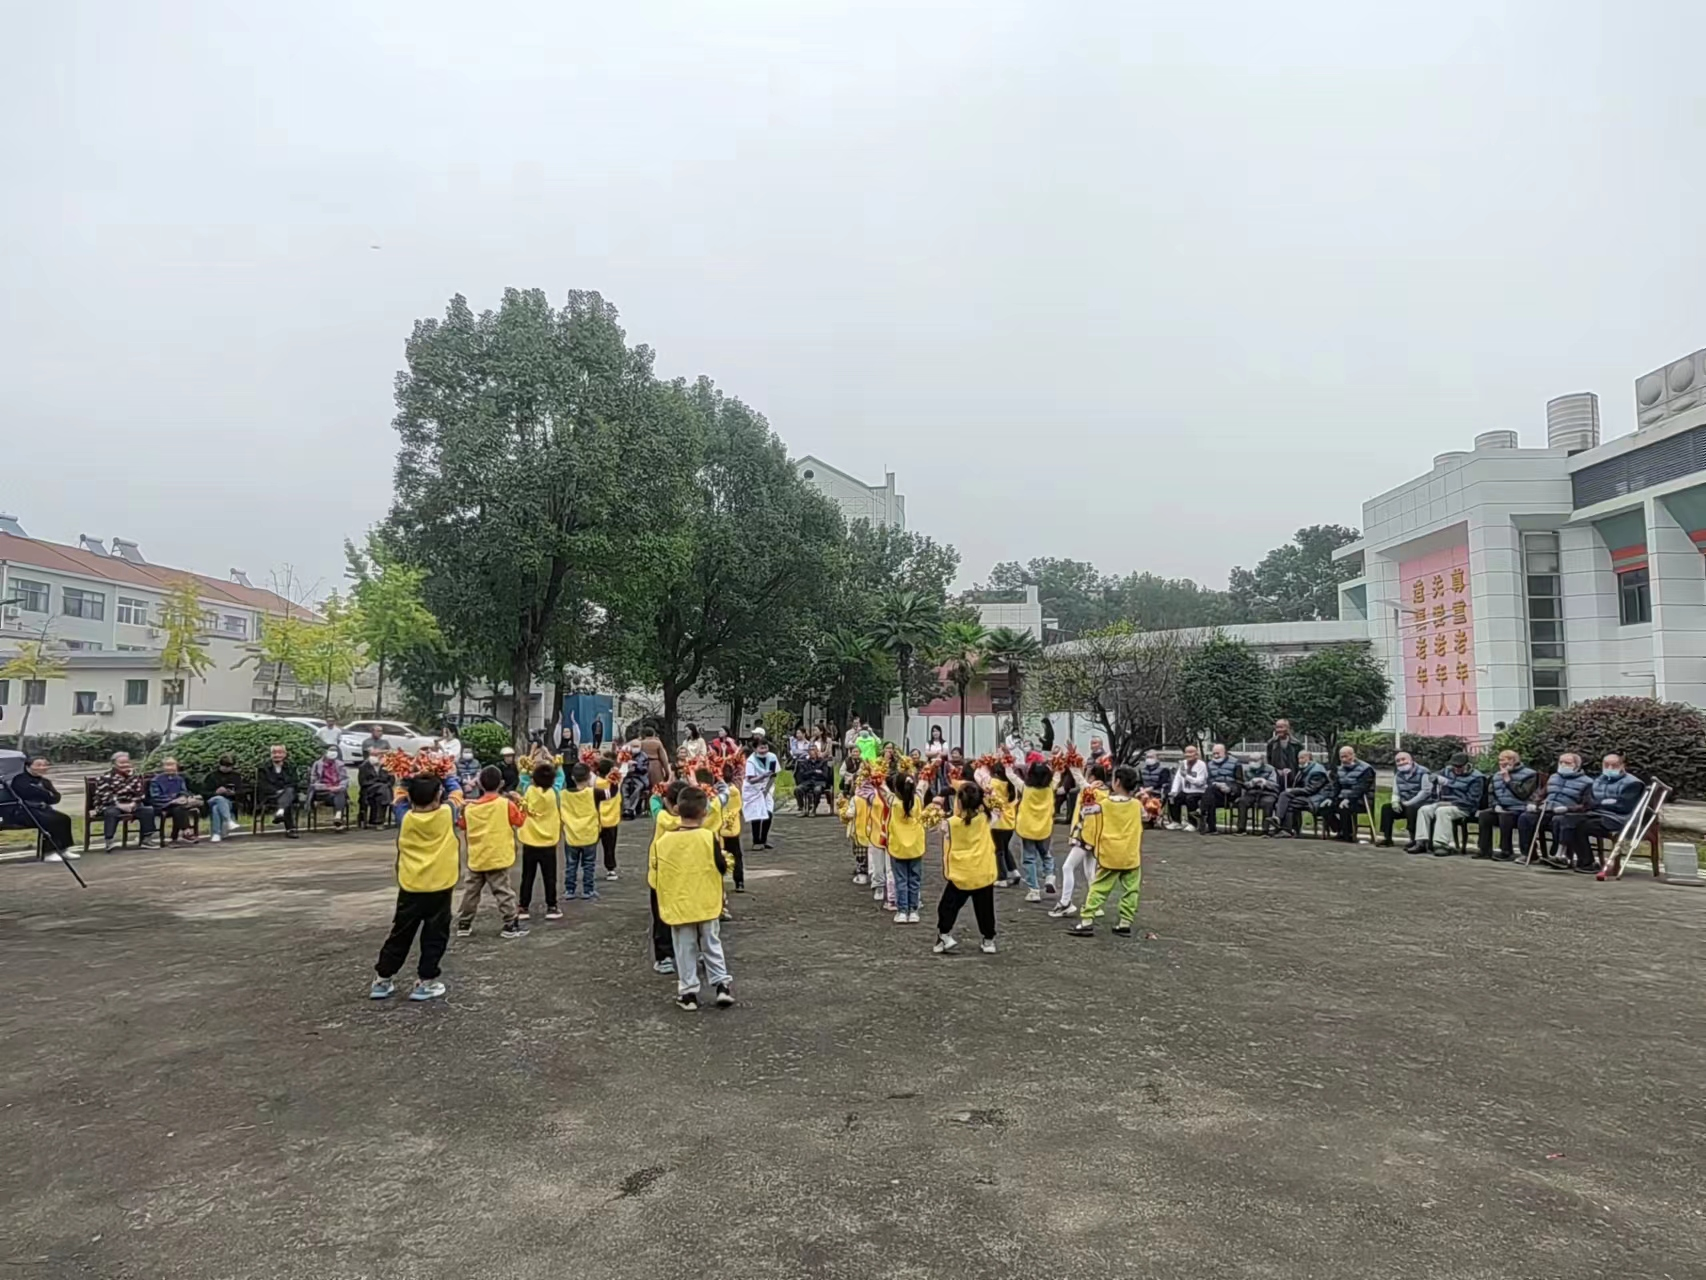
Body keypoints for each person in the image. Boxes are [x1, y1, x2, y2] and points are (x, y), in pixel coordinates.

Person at [370, 773, 458, 1001]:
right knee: (435, 936)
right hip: (439, 886)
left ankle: (383, 979)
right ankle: (426, 981)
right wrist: (447, 772)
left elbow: (398, 796)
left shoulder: (404, 816)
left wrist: (405, 775)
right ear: (439, 795)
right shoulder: (447, 814)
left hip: (411, 886)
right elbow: (457, 793)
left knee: (400, 933)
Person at [651, 785, 735, 1010]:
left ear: (677, 809)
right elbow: (721, 866)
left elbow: (658, 869)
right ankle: (721, 986)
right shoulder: (708, 837)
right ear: (704, 813)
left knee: (684, 948)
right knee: (711, 943)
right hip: (706, 901)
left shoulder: (664, 841)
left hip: (679, 903)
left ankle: (688, 993)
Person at [1067, 765, 1144, 937]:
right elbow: (1145, 817)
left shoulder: (1104, 804)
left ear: (1117, 782)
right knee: (1131, 889)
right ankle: (1125, 922)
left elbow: (1087, 815)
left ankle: (1087, 920)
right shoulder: (1137, 805)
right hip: (1131, 855)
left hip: (1110, 853)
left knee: (1099, 888)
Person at [454, 765, 528, 939]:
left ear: (479, 784)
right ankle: (510, 924)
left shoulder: (470, 808)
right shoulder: (505, 804)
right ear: (501, 783)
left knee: (471, 893)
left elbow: (462, 825)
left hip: (477, 857)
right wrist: (521, 802)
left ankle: (464, 924)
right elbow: (520, 821)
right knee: (503, 892)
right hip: (497, 856)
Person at [935, 780, 999, 955]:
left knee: (947, 907)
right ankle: (988, 939)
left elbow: (935, 823)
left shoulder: (950, 823)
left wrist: (936, 803)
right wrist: (989, 796)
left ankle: (944, 936)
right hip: (983, 871)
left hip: (961, 873)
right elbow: (997, 810)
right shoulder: (986, 818)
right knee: (985, 909)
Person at [1553, 754, 1644, 874]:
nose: (1610, 768)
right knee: (1569, 819)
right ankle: (1564, 856)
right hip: (1597, 814)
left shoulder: (1633, 783)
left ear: (1622, 766)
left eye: (1614, 765)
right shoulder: (1598, 780)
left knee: (1582, 827)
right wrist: (1604, 803)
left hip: (1618, 819)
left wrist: (1601, 804)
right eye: (1606, 765)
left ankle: (1587, 862)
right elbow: (1590, 802)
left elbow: (1624, 807)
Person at [1051, 760, 1109, 918]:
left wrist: (1072, 764)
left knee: (1067, 867)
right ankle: (1094, 905)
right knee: (1090, 872)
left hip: (1085, 834)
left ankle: (1065, 902)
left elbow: (1081, 781)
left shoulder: (1093, 790)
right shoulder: (1105, 792)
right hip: (1094, 835)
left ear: (1092, 777)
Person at [1518, 753, 1591, 866]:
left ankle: (1559, 856)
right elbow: (1540, 794)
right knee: (1525, 818)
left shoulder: (1587, 782)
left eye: (1567, 763)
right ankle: (1529, 854)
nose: (1563, 765)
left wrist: (1567, 808)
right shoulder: (1553, 777)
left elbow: (1586, 805)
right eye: (1561, 762)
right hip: (1547, 810)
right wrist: (1534, 803)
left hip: (1567, 813)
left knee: (1559, 820)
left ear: (1577, 765)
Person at [647, 780, 688, 975]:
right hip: (685, 877)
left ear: (668, 802)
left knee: (661, 917)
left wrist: (658, 792)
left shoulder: (662, 817)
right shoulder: (694, 821)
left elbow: (653, 802)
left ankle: (663, 957)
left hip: (661, 877)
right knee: (688, 915)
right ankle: (694, 953)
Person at [1409, 752, 1485, 856]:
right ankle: (1421, 842)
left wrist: (1450, 803)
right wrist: (1434, 778)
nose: (1457, 769)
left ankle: (1441, 845)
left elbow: (1472, 800)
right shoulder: (1447, 770)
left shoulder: (1477, 777)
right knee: (1424, 810)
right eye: (1455, 766)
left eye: (1460, 767)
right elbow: (1433, 775)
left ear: (1467, 765)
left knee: (1442, 811)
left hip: (1464, 807)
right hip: (1443, 802)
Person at [1008, 757, 1061, 902]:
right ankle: (1050, 876)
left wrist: (1007, 763)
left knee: (1029, 858)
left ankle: (1034, 890)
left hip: (1027, 828)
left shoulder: (1025, 788)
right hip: (1044, 827)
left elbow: (1011, 776)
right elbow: (1058, 775)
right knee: (1046, 853)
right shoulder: (1051, 788)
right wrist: (1060, 763)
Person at [1, 756, 75, 858]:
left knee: (64, 819)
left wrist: (45, 793)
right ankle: (49, 853)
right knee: (51, 821)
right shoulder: (20, 780)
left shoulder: (45, 782)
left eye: (44, 765)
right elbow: (28, 793)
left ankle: (63, 849)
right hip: (23, 811)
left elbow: (55, 798)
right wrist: (45, 793)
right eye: (38, 765)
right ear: (28, 766)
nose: (42, 767)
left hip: (42, 809)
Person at [879, 770, 927, 924]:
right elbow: (923, 785)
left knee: (900, 880)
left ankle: (901, 911)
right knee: (915, 879)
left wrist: (875, 775)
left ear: (897, 788)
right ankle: (913, 911)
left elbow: (881, 787)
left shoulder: (893, 801)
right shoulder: (918, 800)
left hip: (898, 846)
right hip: (916, 847)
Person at [517, 761, 563, 921]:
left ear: (534, 778)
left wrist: (528, 763)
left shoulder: (528, 790)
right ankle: (552, 906)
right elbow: (561, 777)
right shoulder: (555, 793)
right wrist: (556, 762)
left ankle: (523, 907)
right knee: (550, 876)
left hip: (530, 840)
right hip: (549, 842)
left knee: (527, 876)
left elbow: (522, 776)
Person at [1476, 749, 1538, 860]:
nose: (1502, 763)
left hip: (1520, 807)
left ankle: (1506, 851)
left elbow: (1524, 794)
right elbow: (1491, 794)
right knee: (1485, 815)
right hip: (1502, 807)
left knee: (1506, 816)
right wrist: (1495, 805)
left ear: (1514, 761)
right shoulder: (1496, 776)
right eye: (1500, 760)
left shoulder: (1530, 774)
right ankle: (1484, 850)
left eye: (1505, 761)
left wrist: (1508, 780)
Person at [558, 762, 604, 901]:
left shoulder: (563, 795)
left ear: (572, 777)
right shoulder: (594, 793)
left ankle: (569, 890)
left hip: (571, 835)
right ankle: (588, 890)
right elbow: (611, 792)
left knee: (571, 864)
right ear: (589, 777)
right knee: (589, 864)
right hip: (589, 834)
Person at [96, 751, 157, 851]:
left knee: (148, 810)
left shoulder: (135, 776)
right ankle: (109, 841)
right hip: (112, 804)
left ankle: (146, 839)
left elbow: (140, 794)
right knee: (111, 812)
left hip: (131, 804)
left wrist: (133, 803)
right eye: (121, 763)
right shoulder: (105, 777)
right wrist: (119, 805)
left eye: (127, 762)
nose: (125, 765)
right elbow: (104, 795)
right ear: (114, 764)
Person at [1378, 751, 1434, 848]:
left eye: (1403, 759)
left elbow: (1426, 791)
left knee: (1411, 809)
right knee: (1386, 808)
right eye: (1398, 761)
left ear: (1411, 760)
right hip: (1405, 802)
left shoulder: (1424, 772)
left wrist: (1410, 802)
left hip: (1421, 803)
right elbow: (1396, 791)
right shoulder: (1398, 774)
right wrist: (1395, 801)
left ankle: (1414, 839)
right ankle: (1387, 838)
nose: (1401, 762)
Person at [1270, 750, 1331, 837]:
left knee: (1288, 801)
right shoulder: (1304, 769)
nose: (1300, 760)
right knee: (1285, 797)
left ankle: (1284, 827)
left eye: (1302, 758)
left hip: (1316, 797)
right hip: (1306, 796)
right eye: (1299, 758)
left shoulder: (1317, 771)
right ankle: (1285, 827)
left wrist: (1292, 790)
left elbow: (1311, 789)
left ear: (1309, 758)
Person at [148, 757, 202, 844]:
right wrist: (173, 801)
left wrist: (184, 797)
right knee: (179, 807)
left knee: (179, 807)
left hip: (178, 805)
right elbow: (155, 797)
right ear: (163, 767)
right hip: (163, 805)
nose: (170, 768)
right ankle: (186, 831)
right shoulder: (156, 781)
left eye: (173, 765)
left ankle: (177, 836)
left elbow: (184, 791)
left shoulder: (179, 779)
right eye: (167, 765)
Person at [1329, 745, 1376, 842]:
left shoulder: (1366, 769)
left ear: (1353, 755)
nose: (1343, 759)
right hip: (1342, 796)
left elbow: (1361, 788)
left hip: (1360, 799)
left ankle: (1348, 835)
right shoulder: (1339, 769)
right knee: (1324, 807)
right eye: (1341, 757)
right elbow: (1336, 786)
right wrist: (1330, 798)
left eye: (1346, 756)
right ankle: (1339, 829)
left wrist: (1348, 799)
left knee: (1344, 807)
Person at [201, 752, 248, 843]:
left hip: (228, 802)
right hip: (212, 799)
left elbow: (242, 791)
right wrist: (216, 792)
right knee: (219, 799)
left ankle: (216, 834)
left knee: (216, 808)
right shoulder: (211, 776)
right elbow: (204, 792)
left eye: (229, 766)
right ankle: (228, 820)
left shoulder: (236, 776)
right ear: (220, 765)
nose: (227, 768)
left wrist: (233, 793)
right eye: (225, 766)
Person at [983, 767, 1019, 886]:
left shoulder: (994, 783)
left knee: (998, 850)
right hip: (1010, 821)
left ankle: (1002, 877)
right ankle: (1014, 871)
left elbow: (988, 797)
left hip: (998, 822)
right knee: (1004, 847)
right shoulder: (1012, 784)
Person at [743, 734, 780, 849]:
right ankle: (756, 841)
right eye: (761, 748)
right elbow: (751, 779)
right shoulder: (751, 761)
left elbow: (773, 775)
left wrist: (766, 790)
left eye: (765, 747)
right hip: (753, 788)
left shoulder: (772, 757)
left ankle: (763, 840)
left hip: (766, 787)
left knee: (768, 813)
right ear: (755, 749)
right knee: (757, 814)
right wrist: (762, 776)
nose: (764, 750)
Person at [256, 745, 300, 839]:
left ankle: (280, 812)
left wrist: (283, 791)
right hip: (271, 796)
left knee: (288, 793)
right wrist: (277, 791)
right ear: (271, 754)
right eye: (274, 753)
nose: (277, 755)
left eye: (279, 752)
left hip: (288, 794)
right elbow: (263, 785)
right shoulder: (263, 768)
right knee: (286, 799)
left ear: (284, 754)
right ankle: (290, 828)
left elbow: (294, 782)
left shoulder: (290, 767)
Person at [1201, 744, 1242, 835]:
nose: (1216, 756)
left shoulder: (1235, 763)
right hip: (1215, 793)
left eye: (1218, 753)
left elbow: (1239, 782)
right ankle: (1212, 828)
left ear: (1225, 753)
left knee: (1209, 795)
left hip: (1229, 794)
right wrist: (1216, 784)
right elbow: (1208, 780)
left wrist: (1229, 788)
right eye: (1214, 753)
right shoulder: (1209, 764)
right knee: (1211, 794)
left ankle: (1202, 813)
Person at [718, 760, 746, 893]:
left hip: (722, 826)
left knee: (730, 854)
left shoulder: (728, 791)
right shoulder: (734, 790)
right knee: (735, 854)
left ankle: (736, 880)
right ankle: (739, 881)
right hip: (730, 826)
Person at [1234, 753, 1278, 834]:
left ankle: (1265, 830)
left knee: (1268, 803)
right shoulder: (1246, 769)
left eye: (1255, 760)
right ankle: (1241, 828)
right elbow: (1243, 784)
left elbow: (1275, 785)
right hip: (1251, 792)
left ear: (1261, 760)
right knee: (1242, 801)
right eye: (1251, 760)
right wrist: (1251, 783)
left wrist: (1265, 782)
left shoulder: (1271, 769)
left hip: (1267, 792)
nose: (1252, 762)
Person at [1167, 745, 1208, 831]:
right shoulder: (1183, 764)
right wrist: (1174, 791)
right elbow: (1178, 778)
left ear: (1196, 754)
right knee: (1174, 798)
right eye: (1186, 752)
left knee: (1190, 799)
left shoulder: (1201, 765)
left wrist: (1187, 776)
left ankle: (1193, 823)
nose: (1188, 755)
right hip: (1186, 790)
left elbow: (1200, 782)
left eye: (1191, 752)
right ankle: (1176, 821)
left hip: (1198, 791)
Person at [310, 747, 350, 830]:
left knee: (340, 792)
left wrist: (340, 787)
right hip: (322, 792)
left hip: (336, 791)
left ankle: (338, 816)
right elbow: (313, 782)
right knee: (339, 794)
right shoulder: (317, 764)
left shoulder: (340, 764)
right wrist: (327, 787)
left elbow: (345, 779)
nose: (331, 761)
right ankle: (338, 817)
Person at [597, 757, 623, 880]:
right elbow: (624, 770)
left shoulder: (594, 783)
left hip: (596, 820)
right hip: (611, 821)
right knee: (610, 847)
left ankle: (587, 867)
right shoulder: (615, 783)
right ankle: (610, 869)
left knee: (590, 847)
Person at [356, 748, 393, 829]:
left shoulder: (387, 766)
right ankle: (379, 822)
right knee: (384, 790)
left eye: (380, 756)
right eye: (375, 755)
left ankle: (377, 821)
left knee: (382, 794)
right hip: (368, 790)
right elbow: (363, 782)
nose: (378, 757)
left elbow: (391, 781)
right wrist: (378, 783)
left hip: (382, 791)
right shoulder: (364, 766)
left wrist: (383, 784)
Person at [794, 745, 831, 815]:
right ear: (808, 752)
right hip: (807, 782)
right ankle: (802, 808)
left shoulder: (823, 762)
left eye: (813, 750)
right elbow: (803, 775)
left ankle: (814, 808)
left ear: (817, 751)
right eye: (810, 750)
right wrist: (814, 771)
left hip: (819, 782)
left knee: (817, 790)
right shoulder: (804, 762)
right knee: (797, 789)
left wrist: (810, 772)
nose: (812, 752)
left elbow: (825, 775)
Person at [1265, 719, 1301, 789]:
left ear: (1287, 728)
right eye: (1277, 727)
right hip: (1276, 777)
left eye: (1281, 727)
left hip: (1293, 778)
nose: (1278, 730)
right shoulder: (1271, 743)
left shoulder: (1296, 744)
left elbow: (1300, 762)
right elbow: (1269, 760)